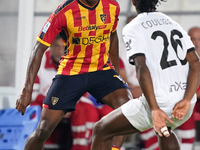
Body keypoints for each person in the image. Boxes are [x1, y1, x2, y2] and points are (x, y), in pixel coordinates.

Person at [15, 0, 132, 150]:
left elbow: (112, 35)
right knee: (43, 130)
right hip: (71, 74)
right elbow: (38, 48)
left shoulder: (112, 6)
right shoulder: (63, 12)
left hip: (102, 70)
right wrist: (26, 90)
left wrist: (115, 71)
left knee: (128, 108)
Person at [90, 0, 200, 150]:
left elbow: (141, 67)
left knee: (101, 129)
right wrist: (187, 99)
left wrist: (154, 109)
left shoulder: (133, 27)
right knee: (165, 129)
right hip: (185, 102)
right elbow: (196, 64)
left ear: (133, 2)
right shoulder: (173, 23)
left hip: (161, 102)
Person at [30, 34, 73, 150]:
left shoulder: (74, 62)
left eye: (64, 48)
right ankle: (37, 146)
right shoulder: (39, 62)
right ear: (51, 47)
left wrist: (66, 105)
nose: (60, 51)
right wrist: (55, 105)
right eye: (57, 47)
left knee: (86, 109)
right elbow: (33, 95)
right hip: (46, 105)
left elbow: (83, 93)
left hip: (67, 105)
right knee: (33, 108)